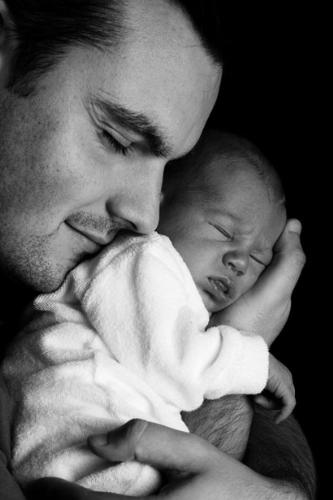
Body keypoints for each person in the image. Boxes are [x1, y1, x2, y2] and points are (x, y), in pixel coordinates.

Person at [0, 1, 314, 499]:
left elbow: (278, 450)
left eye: (166, 169)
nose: (146, 216)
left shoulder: (62, 250)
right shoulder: (128, 262)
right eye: (118, 139)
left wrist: (285, 490)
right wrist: (246, 346)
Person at [2, 131, 296, 496]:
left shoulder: (179, 295)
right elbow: (174, 362)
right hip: (79, 436)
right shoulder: (143, 259)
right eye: (223, 230)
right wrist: (258, 360)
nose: (238, 261)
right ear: (158, 203)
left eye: (258, 259)